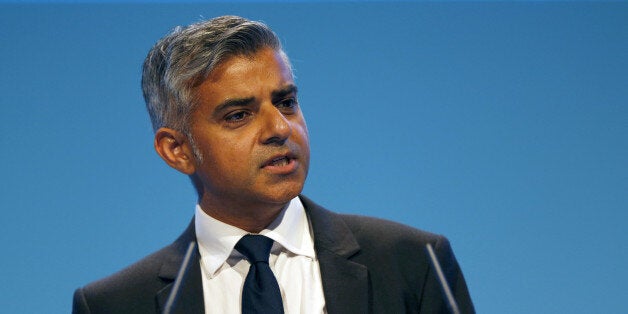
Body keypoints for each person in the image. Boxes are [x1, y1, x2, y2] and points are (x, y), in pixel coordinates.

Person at [72, 16, 475, 314]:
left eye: (286, 102)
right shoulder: (113, 305)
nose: (279, 128)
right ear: (177, 150)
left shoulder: (413, 263)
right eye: (238, 115)